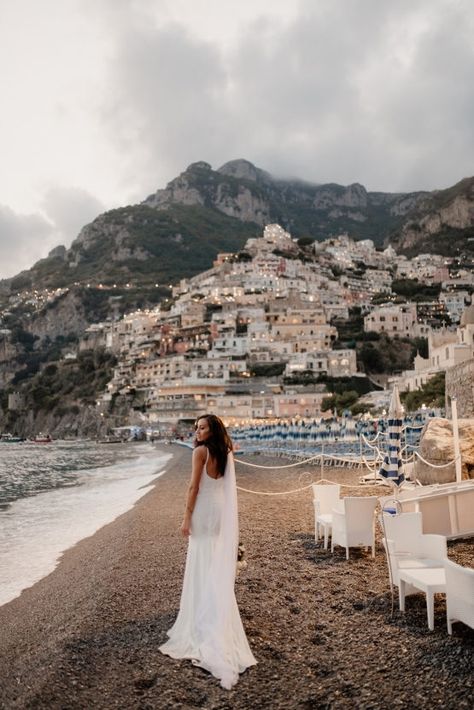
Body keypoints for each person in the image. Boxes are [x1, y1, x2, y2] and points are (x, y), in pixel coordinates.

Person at [159, 414, 256, 689]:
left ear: (212, 429)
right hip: (218, 510)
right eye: (196, 427)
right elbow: (224, 487)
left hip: (203, 510)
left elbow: (193, 486)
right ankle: (212, 604)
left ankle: (199, 611)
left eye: (202, 427)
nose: (198, 431)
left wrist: (186, 517)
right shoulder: (225, 451)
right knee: (210, 558)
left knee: (200, 558)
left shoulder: (200, 451)